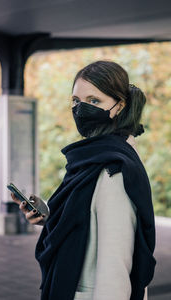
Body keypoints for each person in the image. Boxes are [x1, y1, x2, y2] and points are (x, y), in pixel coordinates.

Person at [11, 60, 156, 300]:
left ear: (119, 106)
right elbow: (88, 222)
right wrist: (50, 217)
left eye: (94, 101)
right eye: (76, 101)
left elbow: (115, 270)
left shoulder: (113, 170)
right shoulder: (90, 159)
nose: (81, 109)